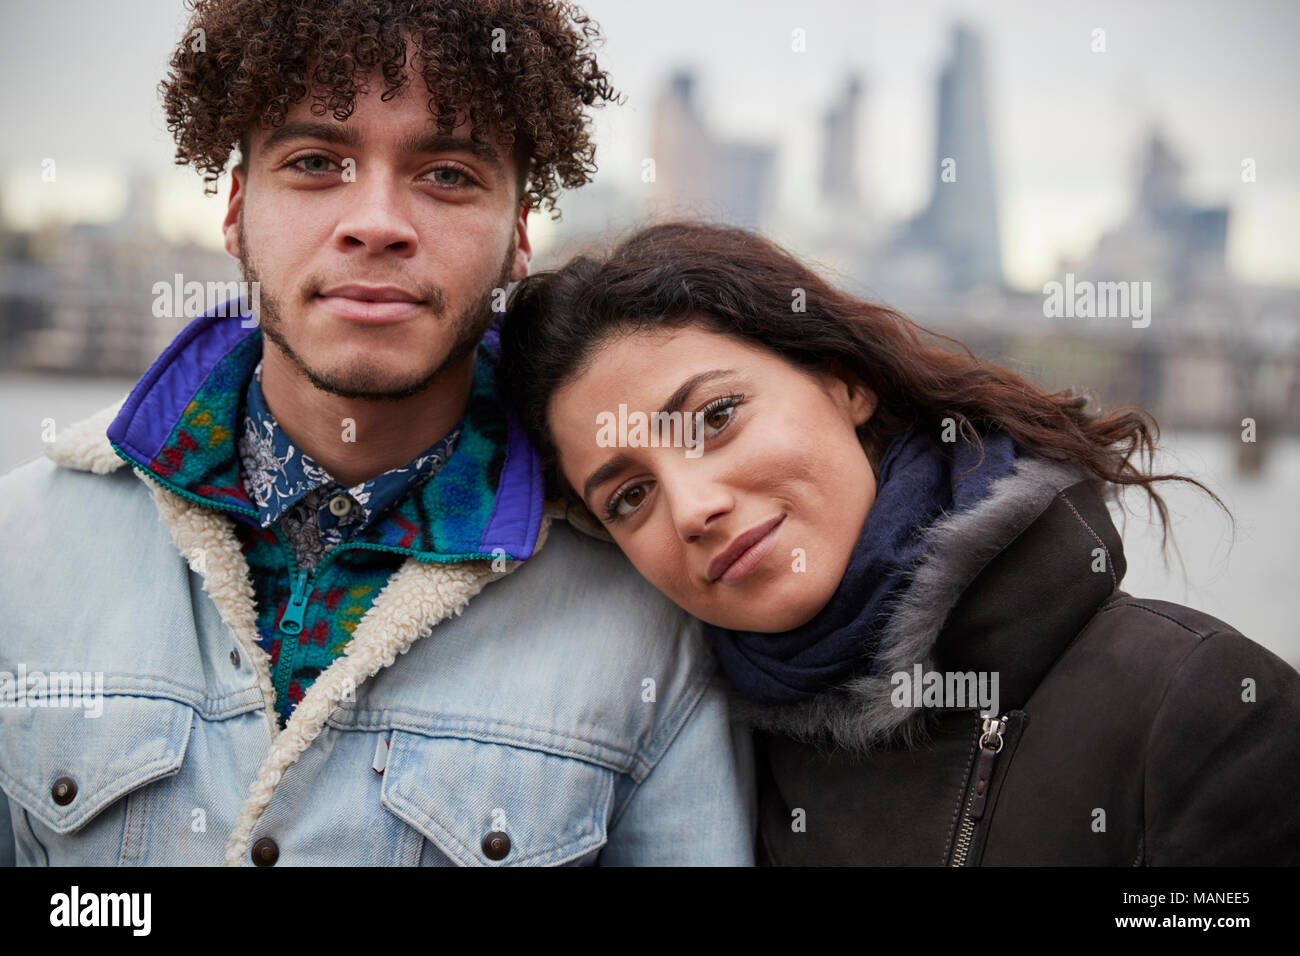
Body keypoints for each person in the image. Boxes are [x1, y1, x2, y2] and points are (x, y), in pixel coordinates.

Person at [0, 3, 754, 867]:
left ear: (519, 236)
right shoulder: (20, 544)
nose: (377, 221)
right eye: (317, 162)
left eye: (447, 175)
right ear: (237, 206)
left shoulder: (647, 606)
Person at [499, 219, 1300, 865]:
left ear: (846, 379)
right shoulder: (694, 757)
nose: (692, 509)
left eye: (715, 418)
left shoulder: (1200, 704)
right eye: (629, 495)